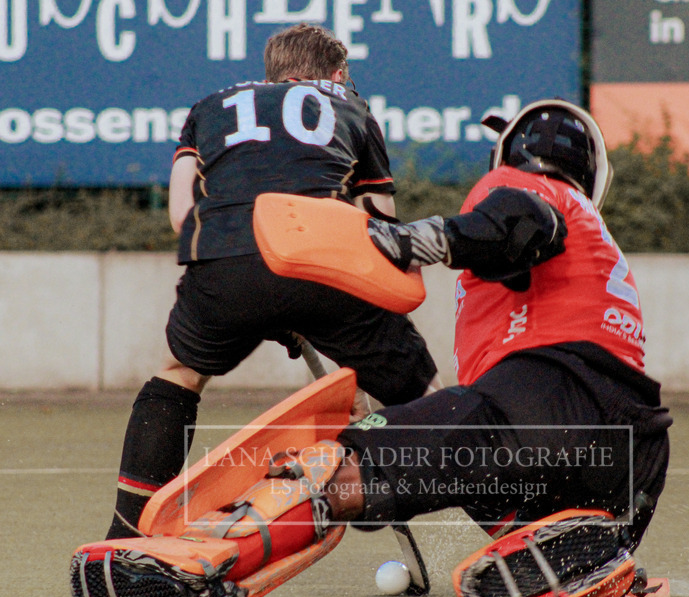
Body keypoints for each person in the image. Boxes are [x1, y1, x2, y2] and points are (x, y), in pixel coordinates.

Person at [74, 100, 671, 597]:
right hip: (634, 458)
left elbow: (521, 224)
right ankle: (587, 555)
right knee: (471, 470)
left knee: (337, 467)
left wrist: (414, 240)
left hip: (545, 404)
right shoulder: (601, 243)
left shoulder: (522, 185)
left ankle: (189, 570)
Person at [103, 23, 439, 540]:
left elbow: (181, 215)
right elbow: (380, 225)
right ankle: (510, 526)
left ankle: (125, 536)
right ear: (337, 73)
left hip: (225, 263)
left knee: (178, 374)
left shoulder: (210, 107)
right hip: (324, 261)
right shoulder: (352, 107)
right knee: (431, 399)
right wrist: (320, 309)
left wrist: (266, 292)